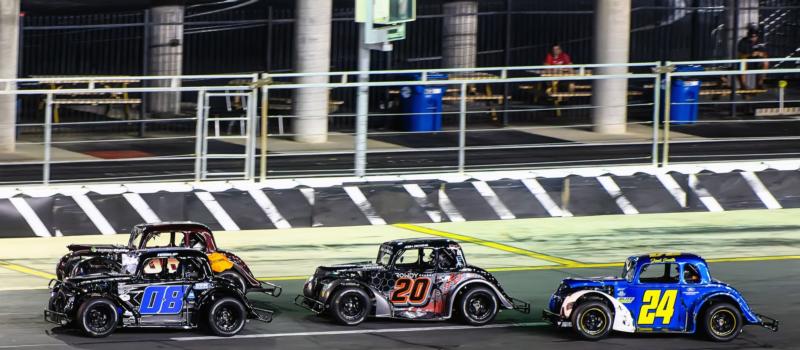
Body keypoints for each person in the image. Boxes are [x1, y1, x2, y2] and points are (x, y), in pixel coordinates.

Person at [736, 25, 769, 89]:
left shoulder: (760, 42)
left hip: (757, 63)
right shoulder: (743, 41)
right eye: (751, 37)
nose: (753, 38)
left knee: (765, 61)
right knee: (742, 62)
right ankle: (743, 86)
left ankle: (759, 84)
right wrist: (750, 54)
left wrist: (760, 53)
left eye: (755, 37)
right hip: (747, 62)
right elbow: (740, 55)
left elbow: (765, 53)